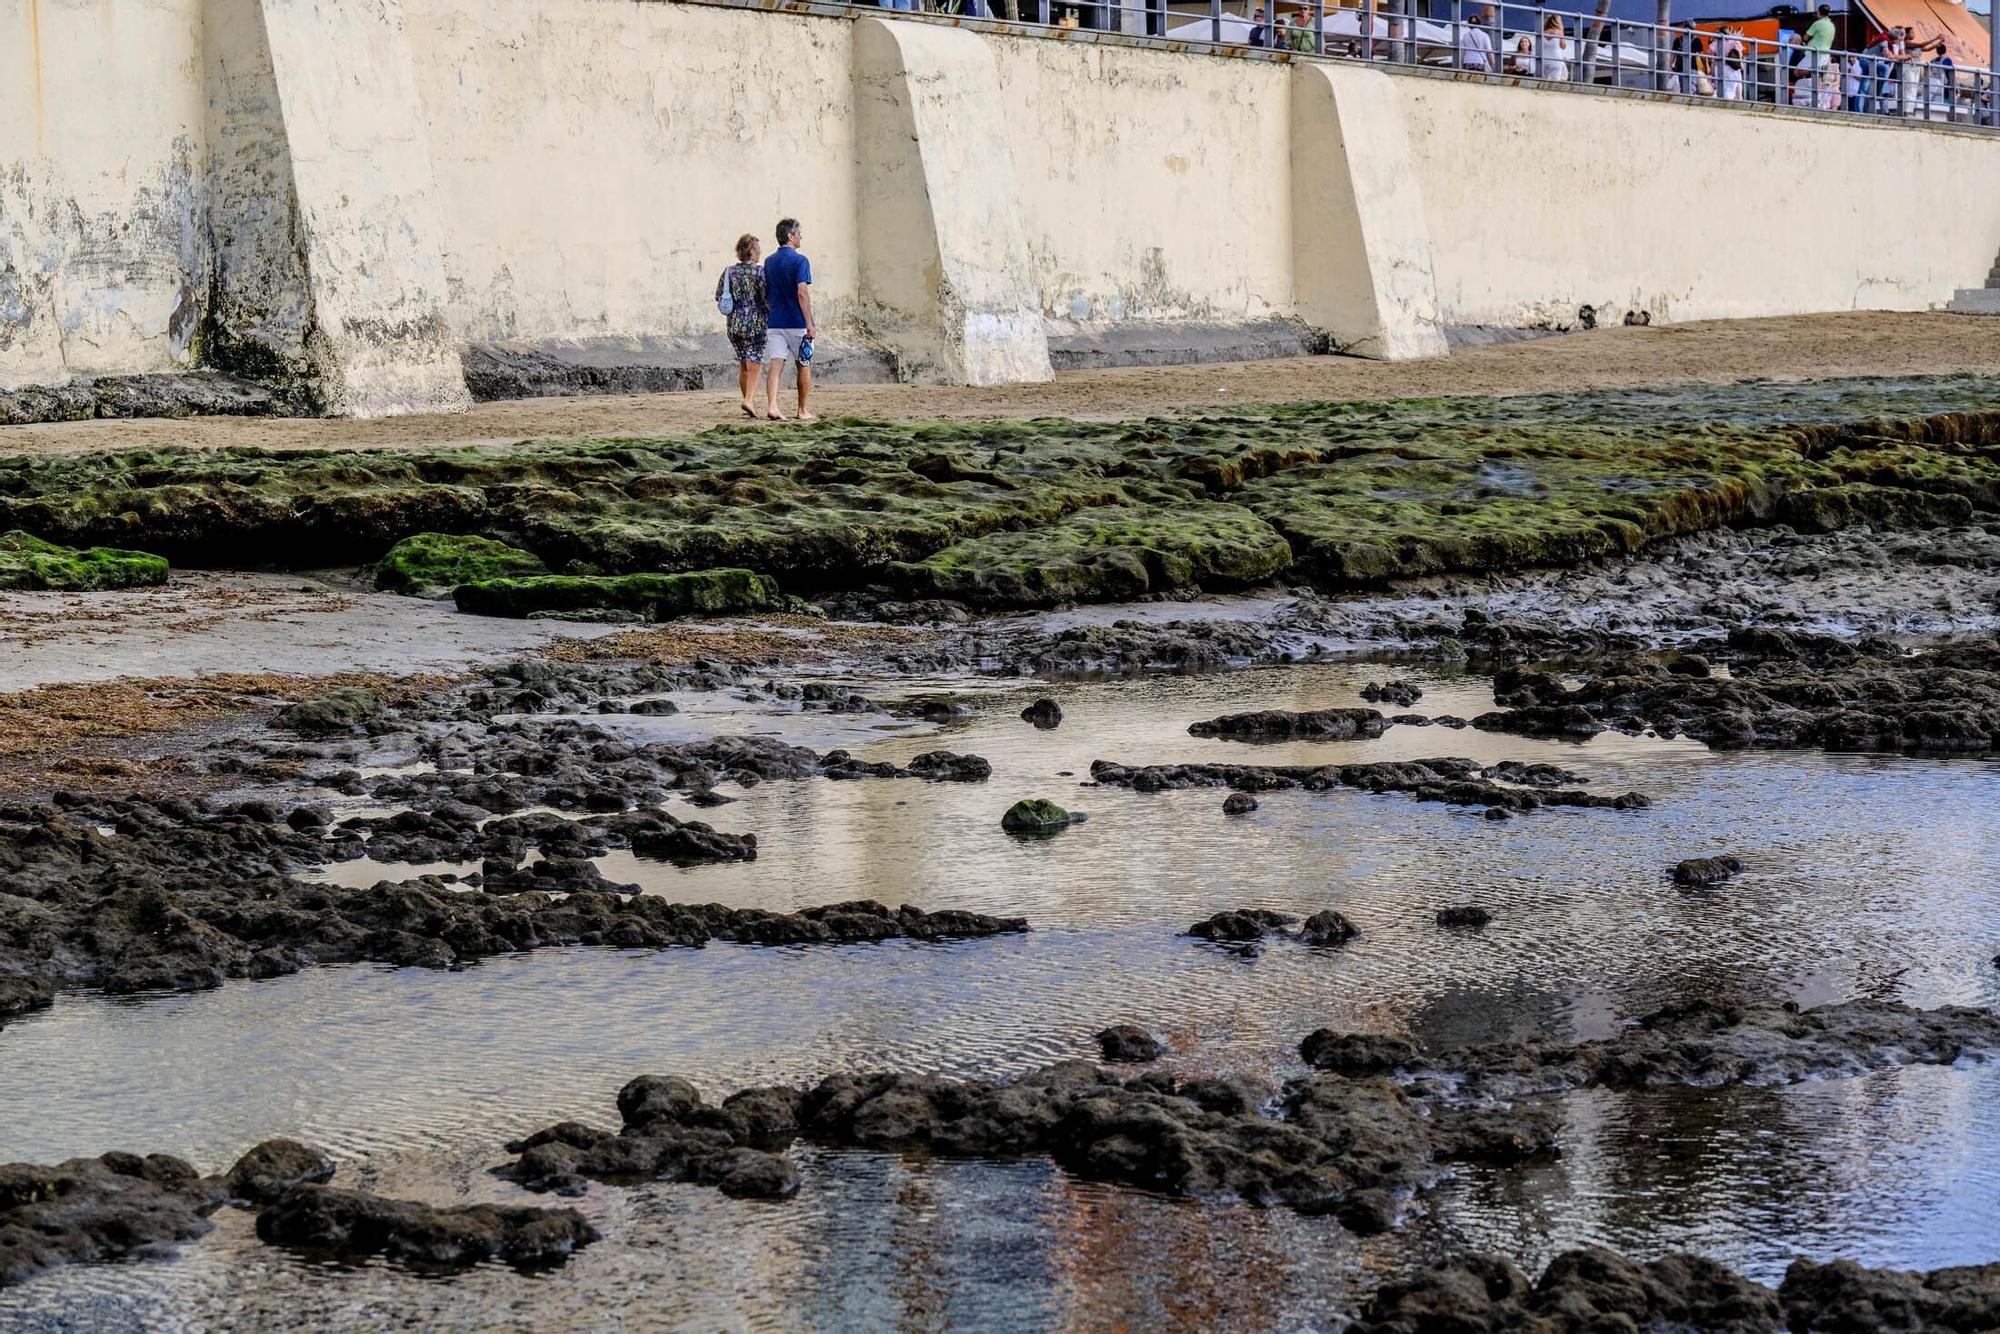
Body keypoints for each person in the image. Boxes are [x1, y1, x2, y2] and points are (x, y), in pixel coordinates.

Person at [761, 218, 817, 423]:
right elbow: (802, 292)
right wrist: (809, 323)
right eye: (798, 233)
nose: (800, 236)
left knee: (776, 364)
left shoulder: (769, 261)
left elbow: (767, 292)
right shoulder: (800, 261)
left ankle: (772, 406)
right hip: (797, 321)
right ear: (790, 236)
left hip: (775, 321)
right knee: (803, 364)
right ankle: (802, 409)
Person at [716, 234, 768, 420]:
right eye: (758, 250)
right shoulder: (760, 272)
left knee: (744, 364)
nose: (760, 253)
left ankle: (748, 400)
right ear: (752, 251)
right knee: (756, 363)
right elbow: (766, 299)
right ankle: (749, 400)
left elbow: (719, 297)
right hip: (756, 323)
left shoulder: (728, 272)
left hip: (734, 324)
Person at [1535, 15, 1570, 82]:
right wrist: (1562, 31)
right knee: (1556, 79)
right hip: (1556, 58)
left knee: (1544, 79)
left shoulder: (1542, 33)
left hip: (1544, 58)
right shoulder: (1558, 32)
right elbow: (1563, 46)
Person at [1716, 26, 1744, 100]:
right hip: (1732, 68)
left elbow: (1712, 56)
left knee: (1724, 88)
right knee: (1735, 87)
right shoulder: (1734, 42)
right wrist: (1741, 64)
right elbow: (1739, 54)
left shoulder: (1716, 43)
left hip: (1719, 67)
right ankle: (1738, 101)